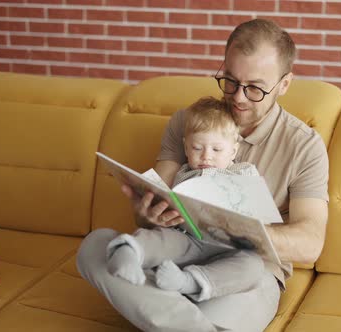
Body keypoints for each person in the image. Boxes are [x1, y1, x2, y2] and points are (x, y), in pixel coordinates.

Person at [77, 18, 329, 332]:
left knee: (246, 275)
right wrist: (145, 213)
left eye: (254, 89)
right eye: (231, 81)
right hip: (181, 252)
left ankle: (167, 309)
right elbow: (157, 201)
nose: (238, 97)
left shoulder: (304, 145)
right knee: (96, 246)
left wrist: (242, 230)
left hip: (246, 272)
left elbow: (310, 243)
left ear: (284, 84)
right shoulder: (188, 122)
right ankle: (186, 314)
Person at [105, 96, 268, 303]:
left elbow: (259, 211)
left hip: (229, 248)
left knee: (252, 267)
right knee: (159, 236)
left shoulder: (243, 173)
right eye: (197, 148)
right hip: (187, 239)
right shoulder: (183, 173)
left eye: (217, 150)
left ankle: (187, 282)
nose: (206, 157)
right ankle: (128, 252)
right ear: (185, 147)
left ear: (234, 150)